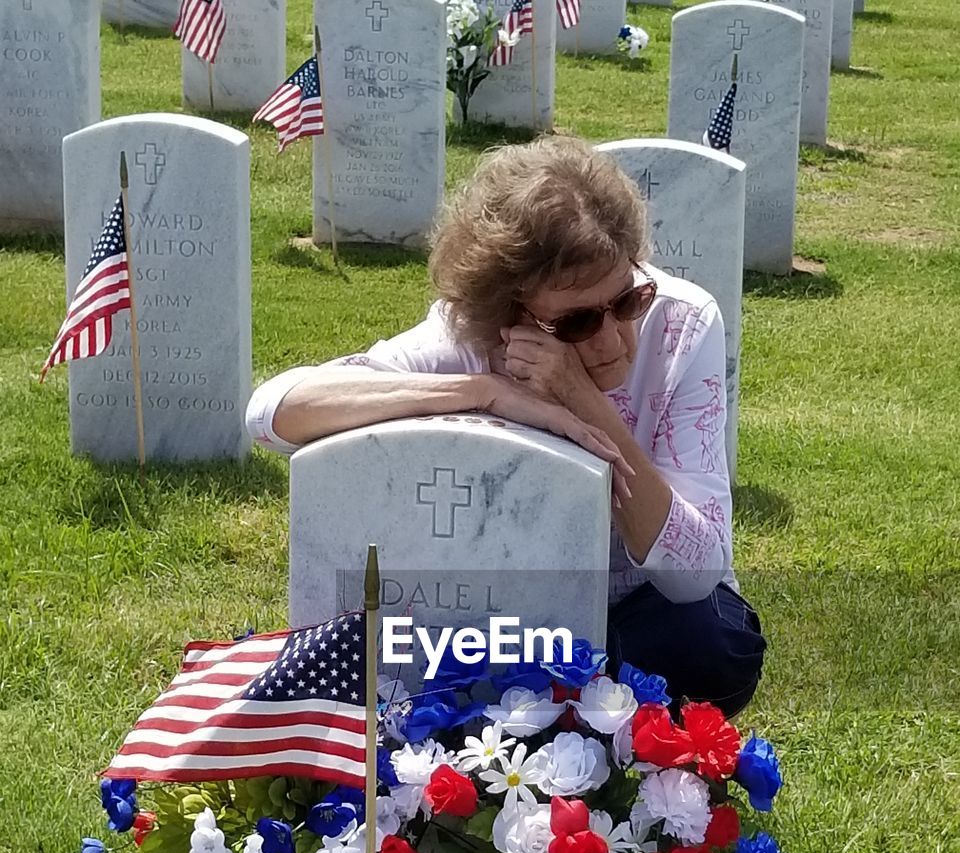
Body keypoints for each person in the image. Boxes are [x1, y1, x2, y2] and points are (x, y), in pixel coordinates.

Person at [246, 135, 766, 718]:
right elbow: (272, 413)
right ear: (508, 315)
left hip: (639, 604)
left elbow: (695, 574)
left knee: (711, 649)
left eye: (626, 300)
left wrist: (580, 401)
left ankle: (549, 702)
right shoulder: (465, 338)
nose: (615, 337)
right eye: (577, 321)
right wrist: (483, 392)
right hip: (508, 609)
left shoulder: (682, 325)